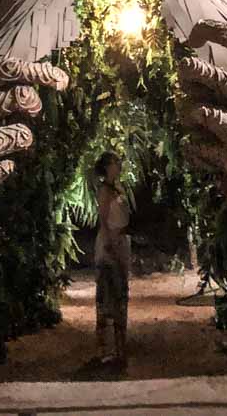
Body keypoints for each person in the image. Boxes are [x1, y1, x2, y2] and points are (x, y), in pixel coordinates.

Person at [93, 150, 130, 367]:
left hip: (121, 242)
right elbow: (104, 221)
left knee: (121, 295)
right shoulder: (105, 191)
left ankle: (120, 348)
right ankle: (104, 349)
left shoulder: (118, 188)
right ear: (107, 167)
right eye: (116, 162)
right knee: (108, 295)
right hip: (110, 245)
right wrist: (109, 246)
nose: (119, 165)